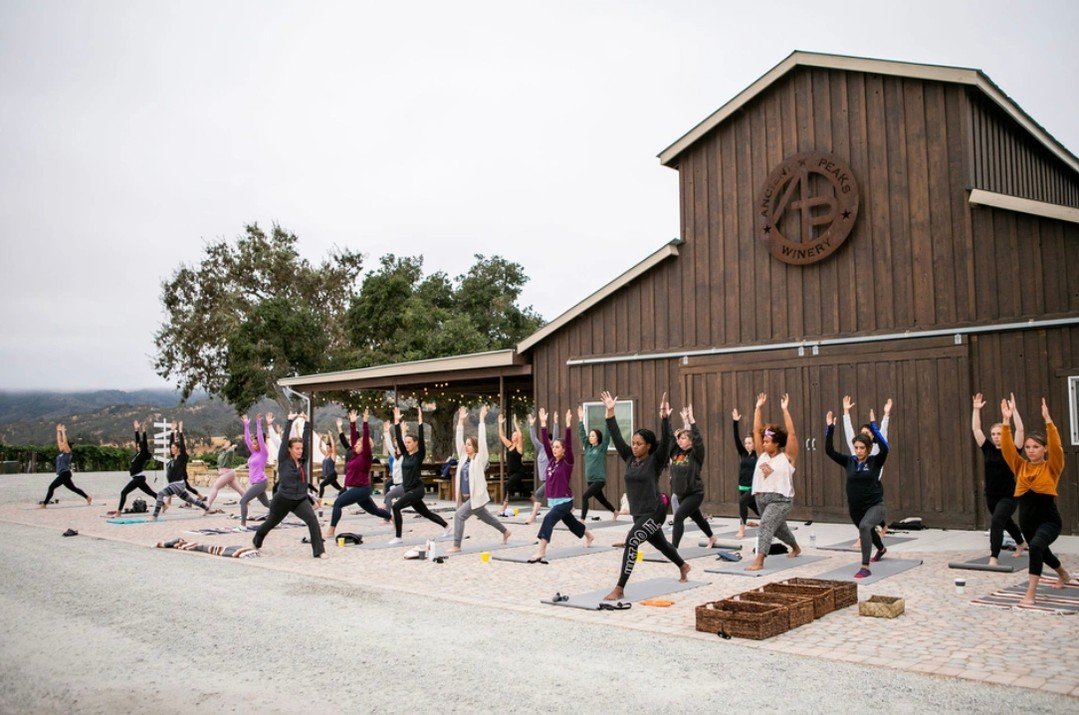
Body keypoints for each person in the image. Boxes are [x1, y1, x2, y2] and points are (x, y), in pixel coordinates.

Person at [600, 391, 689, 601]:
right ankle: (683, 565)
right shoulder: (630, 458)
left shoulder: (655, 460)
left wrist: (665, 418)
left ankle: (620, 587)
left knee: (632, 541)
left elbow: (666, 443)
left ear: (648, 446)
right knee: (660, 544)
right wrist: (610, 410)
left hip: (655, 511)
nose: (634, 446)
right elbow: (616, 435)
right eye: (633, 442)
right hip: (638, 513)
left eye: (639, 443)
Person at [1000, 397, 1071, 606]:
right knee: (1041, 549)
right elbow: (1007, 449)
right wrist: (1006, 421)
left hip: (1049, 520)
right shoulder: (1020, 466)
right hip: (1027, 522)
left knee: (1038, 546)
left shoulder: (1052, 467)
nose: (1030, 450)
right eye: (1028, 447)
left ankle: (1030, 594)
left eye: (1036, 447)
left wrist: (1048, 421)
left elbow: (1057, 446)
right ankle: (1064, 575)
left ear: (1044, 449)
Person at [825, 409, 889, 579]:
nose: (858, 451)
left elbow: (885, 448)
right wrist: (830, 428)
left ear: (868, 448)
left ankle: (865, 567)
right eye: (856, 448)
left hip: (876, 506)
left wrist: (875, 427)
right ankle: (881, 549)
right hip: (855, 509)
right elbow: (829, 451)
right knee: (867, 530)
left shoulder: (875, 461)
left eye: (862, 448)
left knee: (865, 527)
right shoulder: (849, 461)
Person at [252, 413, 325, 558]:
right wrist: (290, 421)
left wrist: (307, 423)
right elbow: (285, 440)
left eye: (301, 449)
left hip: (300, 500)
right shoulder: (284, 459)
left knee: (312, 520)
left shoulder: (303, 460)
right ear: (290, 450)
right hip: (283, 499)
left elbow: (306, 440)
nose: (300, 451)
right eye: (296, 449)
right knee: (270, 523)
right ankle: (256, 541)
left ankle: (319, 551)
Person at [528, 409, 595, 563]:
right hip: (555, 501)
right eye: (554, 447)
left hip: (565, 501)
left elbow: (570, 445)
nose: (554, 449)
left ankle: (541, 551)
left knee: (548, 519)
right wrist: (543, 424)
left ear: (564, 450)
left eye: (558, 447)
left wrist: (568, 425)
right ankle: (588, 535)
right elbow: (545, 444)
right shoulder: (552, 461)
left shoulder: (567, 462)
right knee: (571, 524)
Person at [746, 393, 802, 572]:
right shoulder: (761, 455)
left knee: (765, 525)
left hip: (780, 500)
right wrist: (758, 408)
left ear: (777, 443)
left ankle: (759, 560)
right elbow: (756, 430)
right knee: (778, 529)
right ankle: (796, 547)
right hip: (761, 498)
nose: (763, 444)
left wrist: (785, 410)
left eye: (767, 441)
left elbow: (792, 434)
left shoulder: (787, 457)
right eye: (763, 441)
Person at [972, 392, 1027, 566]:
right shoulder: (987, 448)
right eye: (993, 434)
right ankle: (1021, 543)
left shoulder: (1013, 449)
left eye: (999, 433)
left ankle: (994, 556)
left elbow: (1020, 430)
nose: (996, 436)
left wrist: (1014, 411)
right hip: (991, 495)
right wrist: (976, 410)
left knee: (996, 521)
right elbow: (976, 430)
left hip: (1010, 495)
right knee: (1006, 521)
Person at [449, 405, 511, 552]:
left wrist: (482, 420)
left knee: (459, 516)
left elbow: (482, 441)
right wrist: (460, 422)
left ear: (475, 447)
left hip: (475, 497)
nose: (466, 446)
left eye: (469, 445)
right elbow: (458, 440)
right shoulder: (463, 458)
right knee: (487, 518)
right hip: (465, 497)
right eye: (466, 444)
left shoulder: (480, 459)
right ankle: (505, 531)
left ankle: (456, 545)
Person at [323, 409, 392, 540]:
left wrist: (365, 422)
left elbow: (364, 439)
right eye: (356, 444)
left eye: (360, 444)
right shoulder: (354, 455)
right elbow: (355, 439)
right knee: (374, 510)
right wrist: (352, 423)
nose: (356, 445)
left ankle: (331, 530)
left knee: (338, 503)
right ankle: (391, 517)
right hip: (353, 488)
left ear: (366, 447)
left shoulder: (366, 456)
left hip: (361, 489)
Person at [388, 406, 449, 544]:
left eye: (409, 442)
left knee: (396, 507)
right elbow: (398, 437)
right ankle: (447, 526)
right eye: (406, 442)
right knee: (425, 513)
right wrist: (396, 422)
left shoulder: (419, 455)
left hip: (417, 489)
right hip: (408, 489)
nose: (407, 444)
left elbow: (422, 439)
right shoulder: (405, 454)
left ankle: (398, 537)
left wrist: (421, 421)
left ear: (415, 444)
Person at [843, 395, 892, 546]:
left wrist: (886, 415)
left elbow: (883, 433)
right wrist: (846, 413)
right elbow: (849, 434)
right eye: (862, 433)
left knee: (869, 509)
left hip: (873, 484)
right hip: (860, 485)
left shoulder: (876, 448)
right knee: (863, 509)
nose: (864, 435)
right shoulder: (856, 449)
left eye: (867, 433)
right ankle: (882, 526)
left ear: (872, 435)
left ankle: (863, 537)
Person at [668, 404, 717, 549]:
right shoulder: (676, 453)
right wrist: (666, 419)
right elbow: (669, 438)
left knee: (678, 518)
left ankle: (673, 548)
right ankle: (712, 537)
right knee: (698, 519)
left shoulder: (696, 454)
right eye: (680, 438)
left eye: (684, 438)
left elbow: (697, 439)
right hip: (681, 493)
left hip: (695, 493)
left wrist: (692, 422)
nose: (680, 440)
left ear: (690, 441)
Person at [152, 422, 209, 518]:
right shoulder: (173, 457)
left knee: (161, 494)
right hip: (175, 484)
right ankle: (207, 509)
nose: (171, 449)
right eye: (171, 448)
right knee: (191, 500)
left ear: (178, 449)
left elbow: (182, 445)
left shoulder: (182, 457)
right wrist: (172, 431)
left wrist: (181, 431)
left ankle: (154, 516)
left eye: (174, 448)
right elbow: (172, 443)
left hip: (179, 483)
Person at [578, 405, 617, 521]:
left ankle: (582, 520)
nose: (590, 437)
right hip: (590, 480)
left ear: (598, 438)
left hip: (599, 480)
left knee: (585, 497)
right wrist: (580, 420)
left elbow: (607, 434)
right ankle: (615, 512)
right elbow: (581, 434)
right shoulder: (588, 447)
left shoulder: (602, 447)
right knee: (601, 499)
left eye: (593, 436)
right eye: (590, 436)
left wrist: (607, 418)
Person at [41, 423, 92, 507]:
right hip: (63, 474)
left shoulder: (68, 452)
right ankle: (87, 497)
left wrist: (63, 432)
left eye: (63, 445)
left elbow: (64, 442)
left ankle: (44, 504)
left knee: (51, 487)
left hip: (65, 473)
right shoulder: (62, 453)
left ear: (67, 446)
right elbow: (59, 442)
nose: (61, 445)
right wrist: (58, 432)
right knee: (73, 488)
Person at [113, 419, 156, 514]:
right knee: (150, 492)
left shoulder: (143, 454)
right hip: (138, 478)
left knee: (123, 493)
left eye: (138, 445)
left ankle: (119, 511)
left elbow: (144, 443)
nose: (136, 446)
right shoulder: (138, 454)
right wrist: (136, 430)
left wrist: (144, 431)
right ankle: (163, 504)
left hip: (138, 478)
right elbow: (138, 441)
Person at [238, 414, 271, 528]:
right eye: (253, 443)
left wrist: (258, 424)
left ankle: (243, 525)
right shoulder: (254, 453)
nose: (253, 444)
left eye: (255, 443)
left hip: (260, 482)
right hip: (256, 482)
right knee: (267, 504)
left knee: (243, 501)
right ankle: (281, 513)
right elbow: (247, 439)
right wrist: (246, 426)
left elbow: (261, 440)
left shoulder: (263, 453)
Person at [731, 408, 759, 539]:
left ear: (754, 444)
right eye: (746, 443)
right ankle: (772, 522)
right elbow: (736, 439)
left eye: (750, 443)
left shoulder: (758, 455)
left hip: (753, 487)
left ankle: (741, 530)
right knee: (758, 510)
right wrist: (735, 422)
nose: (747, 445)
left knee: (742, 502)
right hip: (742, 487)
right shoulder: (743, 454)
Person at [497, 414, 531, 516]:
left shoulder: (519, 447)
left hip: (519, 472)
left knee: (507, 486)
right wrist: (500, 423)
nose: (514, 435)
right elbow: (501, 436)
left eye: (515, 434)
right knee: (523, 490)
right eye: (513, 434)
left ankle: (503, 509)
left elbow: (520, 435)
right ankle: (537, 503)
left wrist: (515, 422)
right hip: (511, 473)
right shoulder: (510, 445)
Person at [522, 410, 549, 525]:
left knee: (538, 494)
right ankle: (570, 507)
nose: (549, 442)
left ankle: (532, 517)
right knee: (560, 501)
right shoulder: (541, 448)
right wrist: (531, 425)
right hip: (544, 479)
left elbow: (556, 436)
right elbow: (534, 439)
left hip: (550, 479)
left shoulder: (552, 451)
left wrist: (556, 423)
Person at [203, 436, 241, 512]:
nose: (225, 443)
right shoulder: (223, 452)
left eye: (227, 442)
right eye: (225, 441)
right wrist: (225, 447)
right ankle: (247, 500)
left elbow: (230, 451)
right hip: (227, 473)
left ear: (230, 445)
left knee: (215, 487)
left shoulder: (230, 452)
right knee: (238, 488)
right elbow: (218, 451)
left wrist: (233, 447)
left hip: (228, 473)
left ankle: (208, 506)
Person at [382, 421, 405, 511]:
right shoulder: (395, 456)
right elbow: (389, 445)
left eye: (399, 447)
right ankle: (387, 513)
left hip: (403, 483)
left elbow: (401, 442)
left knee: (390, 496)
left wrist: (403, 432)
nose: (397, 448)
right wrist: (386, 432)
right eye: (397, 447)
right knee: (388, 490)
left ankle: (387, 515)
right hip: (396, 481)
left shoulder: (404, 457)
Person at [318, 431, 344, 500]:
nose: (327, 448)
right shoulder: (326, 454)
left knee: (321, 485)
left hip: (332, 475)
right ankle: (349, 494)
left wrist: (330, 436)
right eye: (326, 447)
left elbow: (333, 446)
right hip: (328, 475)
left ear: (331, 448)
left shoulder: (333, 455)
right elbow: (320, 447)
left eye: (328, 447)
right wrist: (320, 439)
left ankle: (319, 499)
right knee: (339, 488)